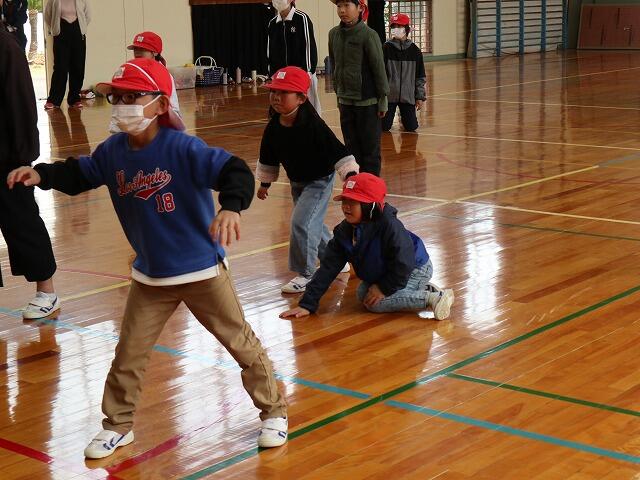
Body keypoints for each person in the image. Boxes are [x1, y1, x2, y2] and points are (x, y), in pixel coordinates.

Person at [7, 58, 288, 458]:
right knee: (128, 355)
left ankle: (274, 412)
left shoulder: (182, 148)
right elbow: (81, 173)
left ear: (160, 104)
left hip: (201, 271)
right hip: (151, 277)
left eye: (133, 97)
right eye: (118, 98)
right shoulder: (113, 152)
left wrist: (231, 207)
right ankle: (118, 425)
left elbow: (235, 171)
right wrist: (42, 175)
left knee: (240, 344)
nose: (123, 105)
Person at [280, 173, 454, 319]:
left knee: (376, 304)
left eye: (353, 202)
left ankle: (434, 298)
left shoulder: (390, 226)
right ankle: (421, 288)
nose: (346, 207)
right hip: (389, 271)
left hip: (414, 268)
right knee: (363, 294)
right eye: (344, 201)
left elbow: (404, 263)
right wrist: (307, 304)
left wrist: (383, 288)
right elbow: (328, 268)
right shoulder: (344, 231)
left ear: (370, 206)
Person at [256, 66, 358, 293]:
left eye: (284, 92)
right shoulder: (274, 126)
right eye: (273, 91)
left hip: (319, 181)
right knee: (312, 222)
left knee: (301, 223)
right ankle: (335, 258)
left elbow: (337, 151)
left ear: (301, 98)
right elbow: (268, 155)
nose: (276, 97)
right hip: (297, 182)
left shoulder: (314, 125)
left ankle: (306, 273)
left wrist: (350, 175)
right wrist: (265, 183)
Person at [0, 20, 60, 320]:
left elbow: (20, 102)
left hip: (6, 158)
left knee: (21, 221)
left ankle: (47, 292)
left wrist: (24, 158)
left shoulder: (5, 47)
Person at [328, 0, 388, 176]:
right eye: (339, 6)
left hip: (367, 103)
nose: (342, 10)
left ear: (360, 8)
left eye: (347, 5)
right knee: (351, 150)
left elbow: (379, 69)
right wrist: (339, 96)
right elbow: (334, 65)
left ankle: (371, 189)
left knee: (370, 151)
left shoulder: (369, 35)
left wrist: (383, 100)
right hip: (345, 102)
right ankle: (356, 187)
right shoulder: (333, 34)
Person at [267, 0, 321, 114]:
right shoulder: (272, 23)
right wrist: (272, 75)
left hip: (302, 75)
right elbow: (270, 51)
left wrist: (307, 73)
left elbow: (309, 47)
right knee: (283, 111)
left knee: (308, 112)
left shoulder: (302, 18)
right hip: (282, 78)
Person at [382, 13, 426, 133]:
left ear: (406, 29)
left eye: (399, 26)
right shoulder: (385, 48)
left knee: (411, 127)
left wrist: (419, 97)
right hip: (389, 97)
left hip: (408, 96)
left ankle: (404, 116)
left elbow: (420, 76)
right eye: (394, 26)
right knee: (383, 127)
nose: (396, 29)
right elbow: (380, 74)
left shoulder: (415, 51)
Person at [44, 0, 91, 110]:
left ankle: (74, 99)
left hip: (78, 32)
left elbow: (88, 16)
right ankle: (54, 100)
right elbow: (48, 16)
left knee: (78, 67)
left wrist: (81, 27)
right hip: (61, 32)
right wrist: (54, 28)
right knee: (60, 67)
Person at [127, 31, 181, 117]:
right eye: (135, 48)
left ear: (155, 52)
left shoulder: (162, 74)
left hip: (162, 118)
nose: (137, 52)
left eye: (142, 49)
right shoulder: (134, 71)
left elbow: (171, 108)